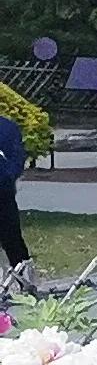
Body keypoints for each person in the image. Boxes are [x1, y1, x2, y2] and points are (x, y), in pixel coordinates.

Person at [0, 97, 27, 285]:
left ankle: (25, 284)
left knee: (13, 241)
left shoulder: (7, 128)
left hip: (2, 195)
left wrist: (7, 176)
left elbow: (16, 160)